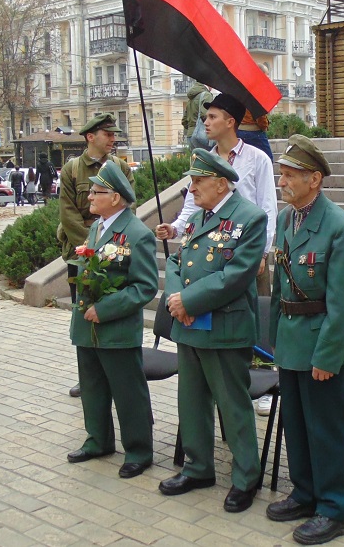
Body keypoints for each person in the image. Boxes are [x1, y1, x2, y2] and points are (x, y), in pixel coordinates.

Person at [266, 134, 344, 545]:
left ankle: (336, 508)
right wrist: (274, 341)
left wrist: (328, 355)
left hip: (324, 344)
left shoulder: (338, 227)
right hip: (291, 340)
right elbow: (279, 288)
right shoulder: (287, 220)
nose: (282, 182)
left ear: (316, 180)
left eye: (290, 176)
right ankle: (305, 492)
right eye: (282, 174)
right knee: (298, 425)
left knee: (327, 428)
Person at [158, 149, 267, 514]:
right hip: (189, 326)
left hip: (223, 327)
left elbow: (236, 275)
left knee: (232, 406)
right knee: (191, 402)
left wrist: (189, 301)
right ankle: (198, 468)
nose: (192, 189)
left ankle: (245, 478)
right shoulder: (199, 218)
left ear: (221, 184)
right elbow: (176, 259)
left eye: (198, 182)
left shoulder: (250, 219)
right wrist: (176, 298)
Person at [157, 93, 278, 416]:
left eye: (212, 117)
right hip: (212, 252)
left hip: (249, 250)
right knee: (212, 317)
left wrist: (263, 252)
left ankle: (263, 378)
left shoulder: (256, 159)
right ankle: (216, 381)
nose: (206, 123)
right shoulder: (205, 158)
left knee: (253, 318)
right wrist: (176, 229)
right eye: (205, 117)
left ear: (231, 122)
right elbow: (191, 206)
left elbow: (268, 207)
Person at [66, 161, 157, 479]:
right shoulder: (97, 226)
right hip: (87, 327)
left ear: (116, 197)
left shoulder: (137, 234)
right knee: (92, 387)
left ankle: (139, 450)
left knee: (127, 392)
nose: (89, 196)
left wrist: (105, 309)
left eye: (96, 191)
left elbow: (145, 286)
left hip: (115, 328)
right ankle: (98, 441)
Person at [58, 113, 134, 398]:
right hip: (81, 255)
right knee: (83, 314)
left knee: (110, 312)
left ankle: (113, 375)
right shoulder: (72, 169)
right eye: (108, 135)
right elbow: (67, 214)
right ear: (91, 137)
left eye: (114, 135)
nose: (113, 139)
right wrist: (90, 250)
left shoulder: (121, 169)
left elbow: (129, 210)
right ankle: (87, 376)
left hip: (114, 253)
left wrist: (109, 249)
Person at [182, 81, 214, 149]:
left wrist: (192, 128)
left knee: (197, 159)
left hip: (190, 136)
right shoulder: (207, 95)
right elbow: (205, 115)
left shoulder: (190, 99)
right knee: (209, 158)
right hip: (202, 135)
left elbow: (184, 121)